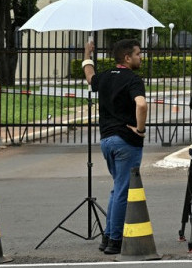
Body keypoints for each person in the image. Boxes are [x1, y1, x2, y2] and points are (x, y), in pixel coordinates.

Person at [82, 38, 148, 255]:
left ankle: (108, 236)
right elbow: (141, 104)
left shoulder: (105, 76)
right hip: (126, 141)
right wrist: (140, 130)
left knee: (117, 189)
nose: (141, 57)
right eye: (138, 54)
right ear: (127, 58)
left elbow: (90, 76)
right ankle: (115, 241)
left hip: (106, 140)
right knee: (123, 191)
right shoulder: (133, 79)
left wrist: (87, 54)